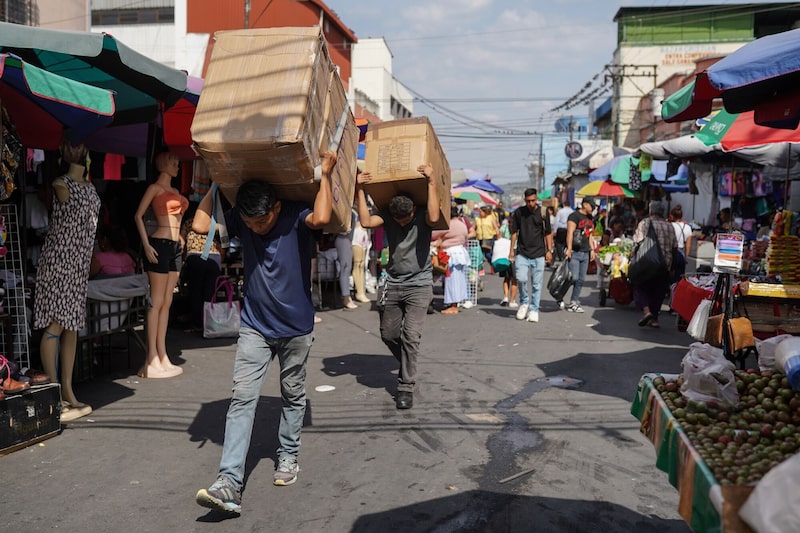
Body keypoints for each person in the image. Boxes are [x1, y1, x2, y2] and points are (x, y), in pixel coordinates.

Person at [193, 151, 337, 515]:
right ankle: (228, 481)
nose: (255, 228)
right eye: (249, 222)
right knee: (242, 398)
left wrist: (327, 174)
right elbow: (198, 226)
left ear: (275, 207)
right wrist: (216, 181)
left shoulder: (294, 215)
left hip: (296, 328)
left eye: (260, 221)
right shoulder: (243, 220)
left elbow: (322, 216)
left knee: (292, 394)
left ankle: (288, 456)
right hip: (255, 326)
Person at [356, 163, 440, 410]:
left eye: (406, 218)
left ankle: (406, 386)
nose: (402, 223)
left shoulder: (424, 214)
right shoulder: (388, 215)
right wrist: (360, 188)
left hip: (420, 284)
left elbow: (435, 217)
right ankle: (407, 361)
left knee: (410, 336)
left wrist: (432, 181)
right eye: (398, 219)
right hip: (392, 282)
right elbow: (364, 221)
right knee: (389, 334)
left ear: (414, 209)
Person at [34, 140, 101, 422]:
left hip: (78, 267)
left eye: (79, 145)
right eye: (70, 145)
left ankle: (68, 392)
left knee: (71, 326)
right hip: (59, 264)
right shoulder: (60, 184)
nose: (76, 149)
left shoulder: (91, 188)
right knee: (56, 326)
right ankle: (53, 392)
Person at [133, 151, 188, 378]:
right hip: (159, 243)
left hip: (175, 246)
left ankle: (162, 354)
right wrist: (146, 244)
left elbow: (180, 218)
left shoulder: (175, 191)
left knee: (167, 300)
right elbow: (138, 216)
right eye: (174, 162)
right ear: (163, 164)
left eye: (177, 162)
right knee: (156, 302)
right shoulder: (155, 189)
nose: (177, 166)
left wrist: (181, 235)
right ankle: (151, 358)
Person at [508, 188, 553, 323]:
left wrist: (549, 250)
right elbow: (514, 232)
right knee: (521, 278)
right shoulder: (519, 213)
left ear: (537, 199)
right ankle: (524, 303)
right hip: (522, 252)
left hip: (539, 253)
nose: (531, 203)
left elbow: (548, 232)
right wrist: (511, 250)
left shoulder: (543, 212)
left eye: (533, 200)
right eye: (528, 201)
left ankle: (534, 310)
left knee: (536, 284)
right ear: (524, 200)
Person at [179, 204, 225, 330]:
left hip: (195, 258)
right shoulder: (213, 224)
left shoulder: (189, 222)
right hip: (214, 257)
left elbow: (181, 242)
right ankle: (208, 324)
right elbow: (222, 246)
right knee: (210, 292)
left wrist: (181, 259)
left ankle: (197, 323)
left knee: (195, 291)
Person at [633, 200, 677, 329]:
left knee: (641, 287)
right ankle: (655, 319)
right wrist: (673, 267)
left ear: (651, 210)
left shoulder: (645, 223)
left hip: (646, 262)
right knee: (658, 291)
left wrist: (632, 258)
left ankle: (647, 312)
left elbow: (637, 242)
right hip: (664, 264)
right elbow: (674, 247)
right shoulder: (670, 226)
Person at [432, 206, 471, 315]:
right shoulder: (462, 224)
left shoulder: (448, 224)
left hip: (451, 254)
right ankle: (454, 304)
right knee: (458, 279)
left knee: (452, 280)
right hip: (460, 253)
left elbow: (433, 235)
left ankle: (453, 306)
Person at [564, 197, 597, 313]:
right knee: (574, 277)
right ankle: (559, 295)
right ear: (585, 204)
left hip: (585, 252)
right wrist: (569, 249)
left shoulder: (590, 218)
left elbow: (590, 235)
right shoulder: (574, 216)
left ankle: (574, 302)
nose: (593, 209)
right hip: (575, 252)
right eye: (592, 206)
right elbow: (570, 233)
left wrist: (592, 249)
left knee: (581, 279)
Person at [351, 209, 371, 303]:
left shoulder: (364, 208)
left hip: (363, 232)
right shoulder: (352, 211)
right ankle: (359, 292)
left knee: (362, 265)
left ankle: (361, 291)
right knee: (357, 264)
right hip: (357, 233)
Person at [498, 218, 518, 308]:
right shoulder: (518, 229)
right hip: (515, 252)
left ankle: (505, 297)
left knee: (506, 277)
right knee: (514, 278)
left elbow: (498, 238)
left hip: (504, 253)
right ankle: (512, 300)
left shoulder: (504, 227)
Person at [670, 205, 692, 282]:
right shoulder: (688, 227)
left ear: (672, 216)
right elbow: (688, 246)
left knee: (669, 277)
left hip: (671, 252)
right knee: (679, 279)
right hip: (681, 252)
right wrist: (685, 257)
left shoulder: (670, 226)